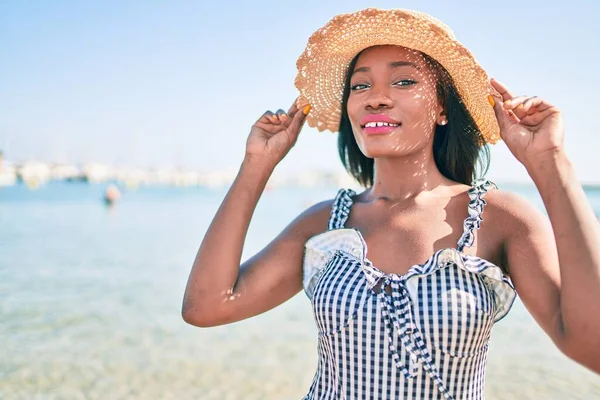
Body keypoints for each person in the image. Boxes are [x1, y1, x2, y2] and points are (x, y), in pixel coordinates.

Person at [182, 8, 600, 399]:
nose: (375, 97)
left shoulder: (499, 218)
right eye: (360, 85)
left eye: (403, 81)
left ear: (442, 108)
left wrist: (550, 165)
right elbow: (207, 307)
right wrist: (256, 167)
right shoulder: (327, 224)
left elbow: (591, 346)